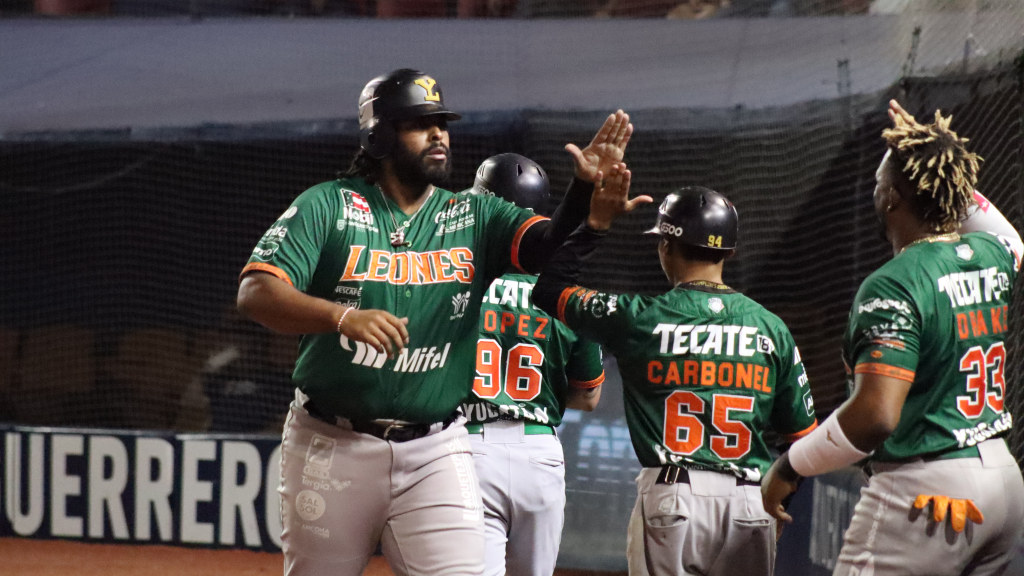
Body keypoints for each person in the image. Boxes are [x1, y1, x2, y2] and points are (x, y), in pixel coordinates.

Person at [236, 67, 634, 576]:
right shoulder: (327, 206)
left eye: (442, 122)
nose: (439, 133)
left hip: (437, 449)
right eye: (420, 124)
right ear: (379, 135)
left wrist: (582, 194)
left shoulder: (475, 214)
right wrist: (340, 317)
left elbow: (545, 249)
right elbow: (256, 291)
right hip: (332, 443)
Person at [761, 99, 1024, 575]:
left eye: (883, 179)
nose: (876, 187)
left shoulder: (894, 282)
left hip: (929, 490)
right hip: (1003, 483)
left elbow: (875, 416)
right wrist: (936, 160)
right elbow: (1012, 238)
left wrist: (790, 466)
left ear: (892, 198)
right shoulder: (991, 254)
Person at [531, 166, 820, 576]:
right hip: (749, 501)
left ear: (666, 245)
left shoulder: (641, 319)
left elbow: (549, 288)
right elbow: (804, 442)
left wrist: (596, 224)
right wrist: (778, 503)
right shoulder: (772, 329)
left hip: (674, 497)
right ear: (729, 253)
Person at [461, 153, 606, 576]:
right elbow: (589, 396)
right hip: (540, 451)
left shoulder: (458, 277)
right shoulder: (564, 293)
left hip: (465, 443)